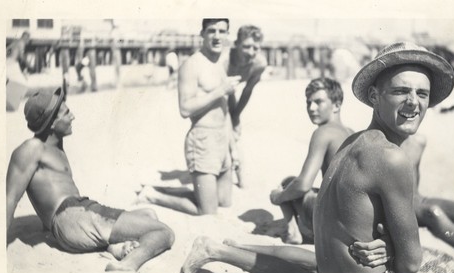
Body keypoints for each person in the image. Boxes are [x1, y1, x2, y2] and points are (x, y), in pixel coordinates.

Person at [180, 42, 454, 273]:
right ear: (374, 96)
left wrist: (389, 245)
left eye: (422, 94)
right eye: (400, 91)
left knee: (309, 262)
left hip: (328, 269)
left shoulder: (352, 141)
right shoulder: (391, 157)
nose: (413, 103)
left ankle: (228, 247)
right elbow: (410, 264)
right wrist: (394, 249)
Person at [6, 88, 175, 272]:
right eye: (66, 113)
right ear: (52, 123)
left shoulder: (54, 147)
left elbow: (45, 193)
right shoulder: (31, 148)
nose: (73, 116)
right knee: (164, 232)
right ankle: (127, 265)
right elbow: (9, 200)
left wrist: (47, 226)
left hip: (78, 215)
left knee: (148, 214)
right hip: (73, 217)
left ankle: (115, 247)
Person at [138, 18, 240, 215]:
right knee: (208, 211)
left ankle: (172, 190)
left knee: (225, 202)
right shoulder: (191, 65)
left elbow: (224, 108)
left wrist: (232, 145)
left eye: (222, 31)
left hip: (222, 139)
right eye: (212, 31)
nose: (217, 36)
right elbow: (184, 109)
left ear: (228, 34)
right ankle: (152, 195)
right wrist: (220, 90)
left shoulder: (220, 62)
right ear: (202, 34)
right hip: (203, 141)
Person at [269, 77, 353, 244]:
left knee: (289, 183)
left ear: (336, 105)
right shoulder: (352, 132)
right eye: (308, 103)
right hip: (354, 220)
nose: (311, 108)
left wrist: (277, 197)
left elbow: (303, 185)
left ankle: (293, 231)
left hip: (333, 222)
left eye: (318, 102)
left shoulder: (323, 132)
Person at [402, 134, 454, 251]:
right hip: (402, 206)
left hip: (418, 199)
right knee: (434, 214)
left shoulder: (417, 142)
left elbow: (414, 179)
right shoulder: (374, 145)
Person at [223, 25, 268, 188]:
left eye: (255, 48)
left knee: (234, 126)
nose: (251, 52)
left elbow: (248, 90)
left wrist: (236, 114)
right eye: (246, 46)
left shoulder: (259, 64)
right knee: (225, 130)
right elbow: (219, 93)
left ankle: (240, 176)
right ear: (236, 44)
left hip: (230, 90)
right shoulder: (224, 59)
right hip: (215, 91)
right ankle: (232, 161)